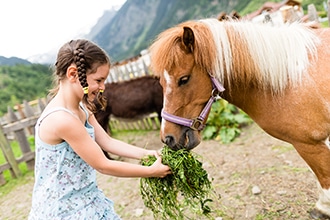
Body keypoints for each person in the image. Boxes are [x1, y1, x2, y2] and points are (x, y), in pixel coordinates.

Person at [28, 39, 171, 219]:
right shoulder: (62, 119)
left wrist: (148, 154)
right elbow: (103, 165)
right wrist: (152, 171)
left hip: (86, 198)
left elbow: (107, 141)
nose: (103, 87)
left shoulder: (81, 108)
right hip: (64, 209)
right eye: (99, 80)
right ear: (73, 74)